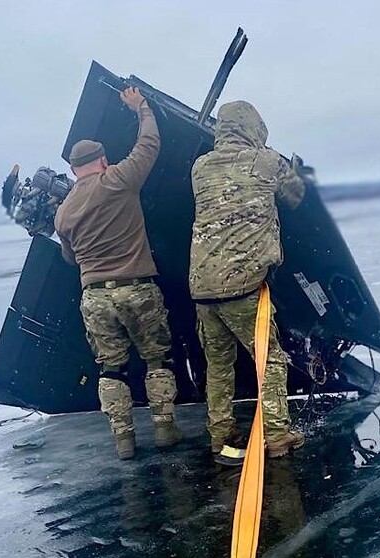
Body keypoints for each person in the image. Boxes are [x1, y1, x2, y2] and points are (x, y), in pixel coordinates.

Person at [54, 87, 181, 460]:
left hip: (94, 297)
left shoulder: (63, 212)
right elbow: (149, 145)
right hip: (137, 290)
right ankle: (164, 429)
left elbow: (70, 259)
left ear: (74, 170)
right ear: (103, 160)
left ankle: (124, 441)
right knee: (157, 360)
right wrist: (140, 107)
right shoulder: (118, 179)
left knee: (111, 369)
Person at [189, 100, 306, 459]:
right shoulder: (267, 162)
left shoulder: (200, 168)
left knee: (219, 366)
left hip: (203, 287)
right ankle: (276, 435)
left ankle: (219, 434)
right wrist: (293, 169)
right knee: (269, 359)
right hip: (243, 285)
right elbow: (296, 196)